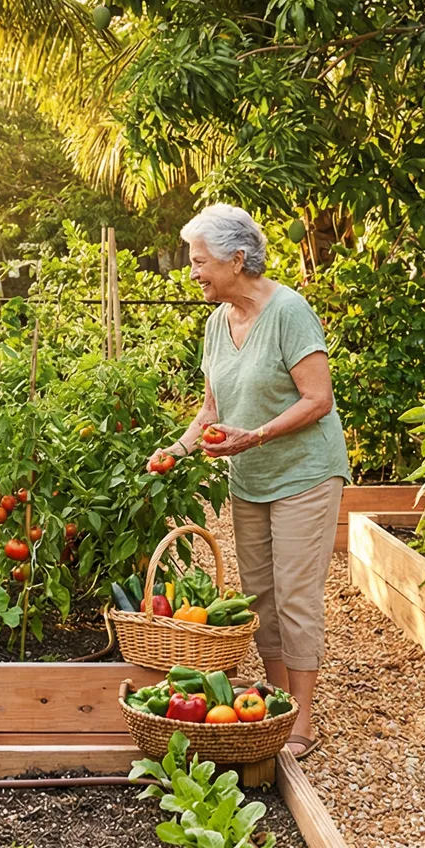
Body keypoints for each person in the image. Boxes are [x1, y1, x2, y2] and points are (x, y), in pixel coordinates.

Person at [150, 203, 352, 760]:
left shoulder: (289, 312)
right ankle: (278, 699)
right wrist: (178, 448)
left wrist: (254, 436)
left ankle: (303, 718)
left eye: (200, 261)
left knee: (295, 597)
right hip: (251, 476)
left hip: (305, 474)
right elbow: (213, 407)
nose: (192, 272)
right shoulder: (217, 322)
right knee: (258, 596)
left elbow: (319, 399)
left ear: (237, 259)